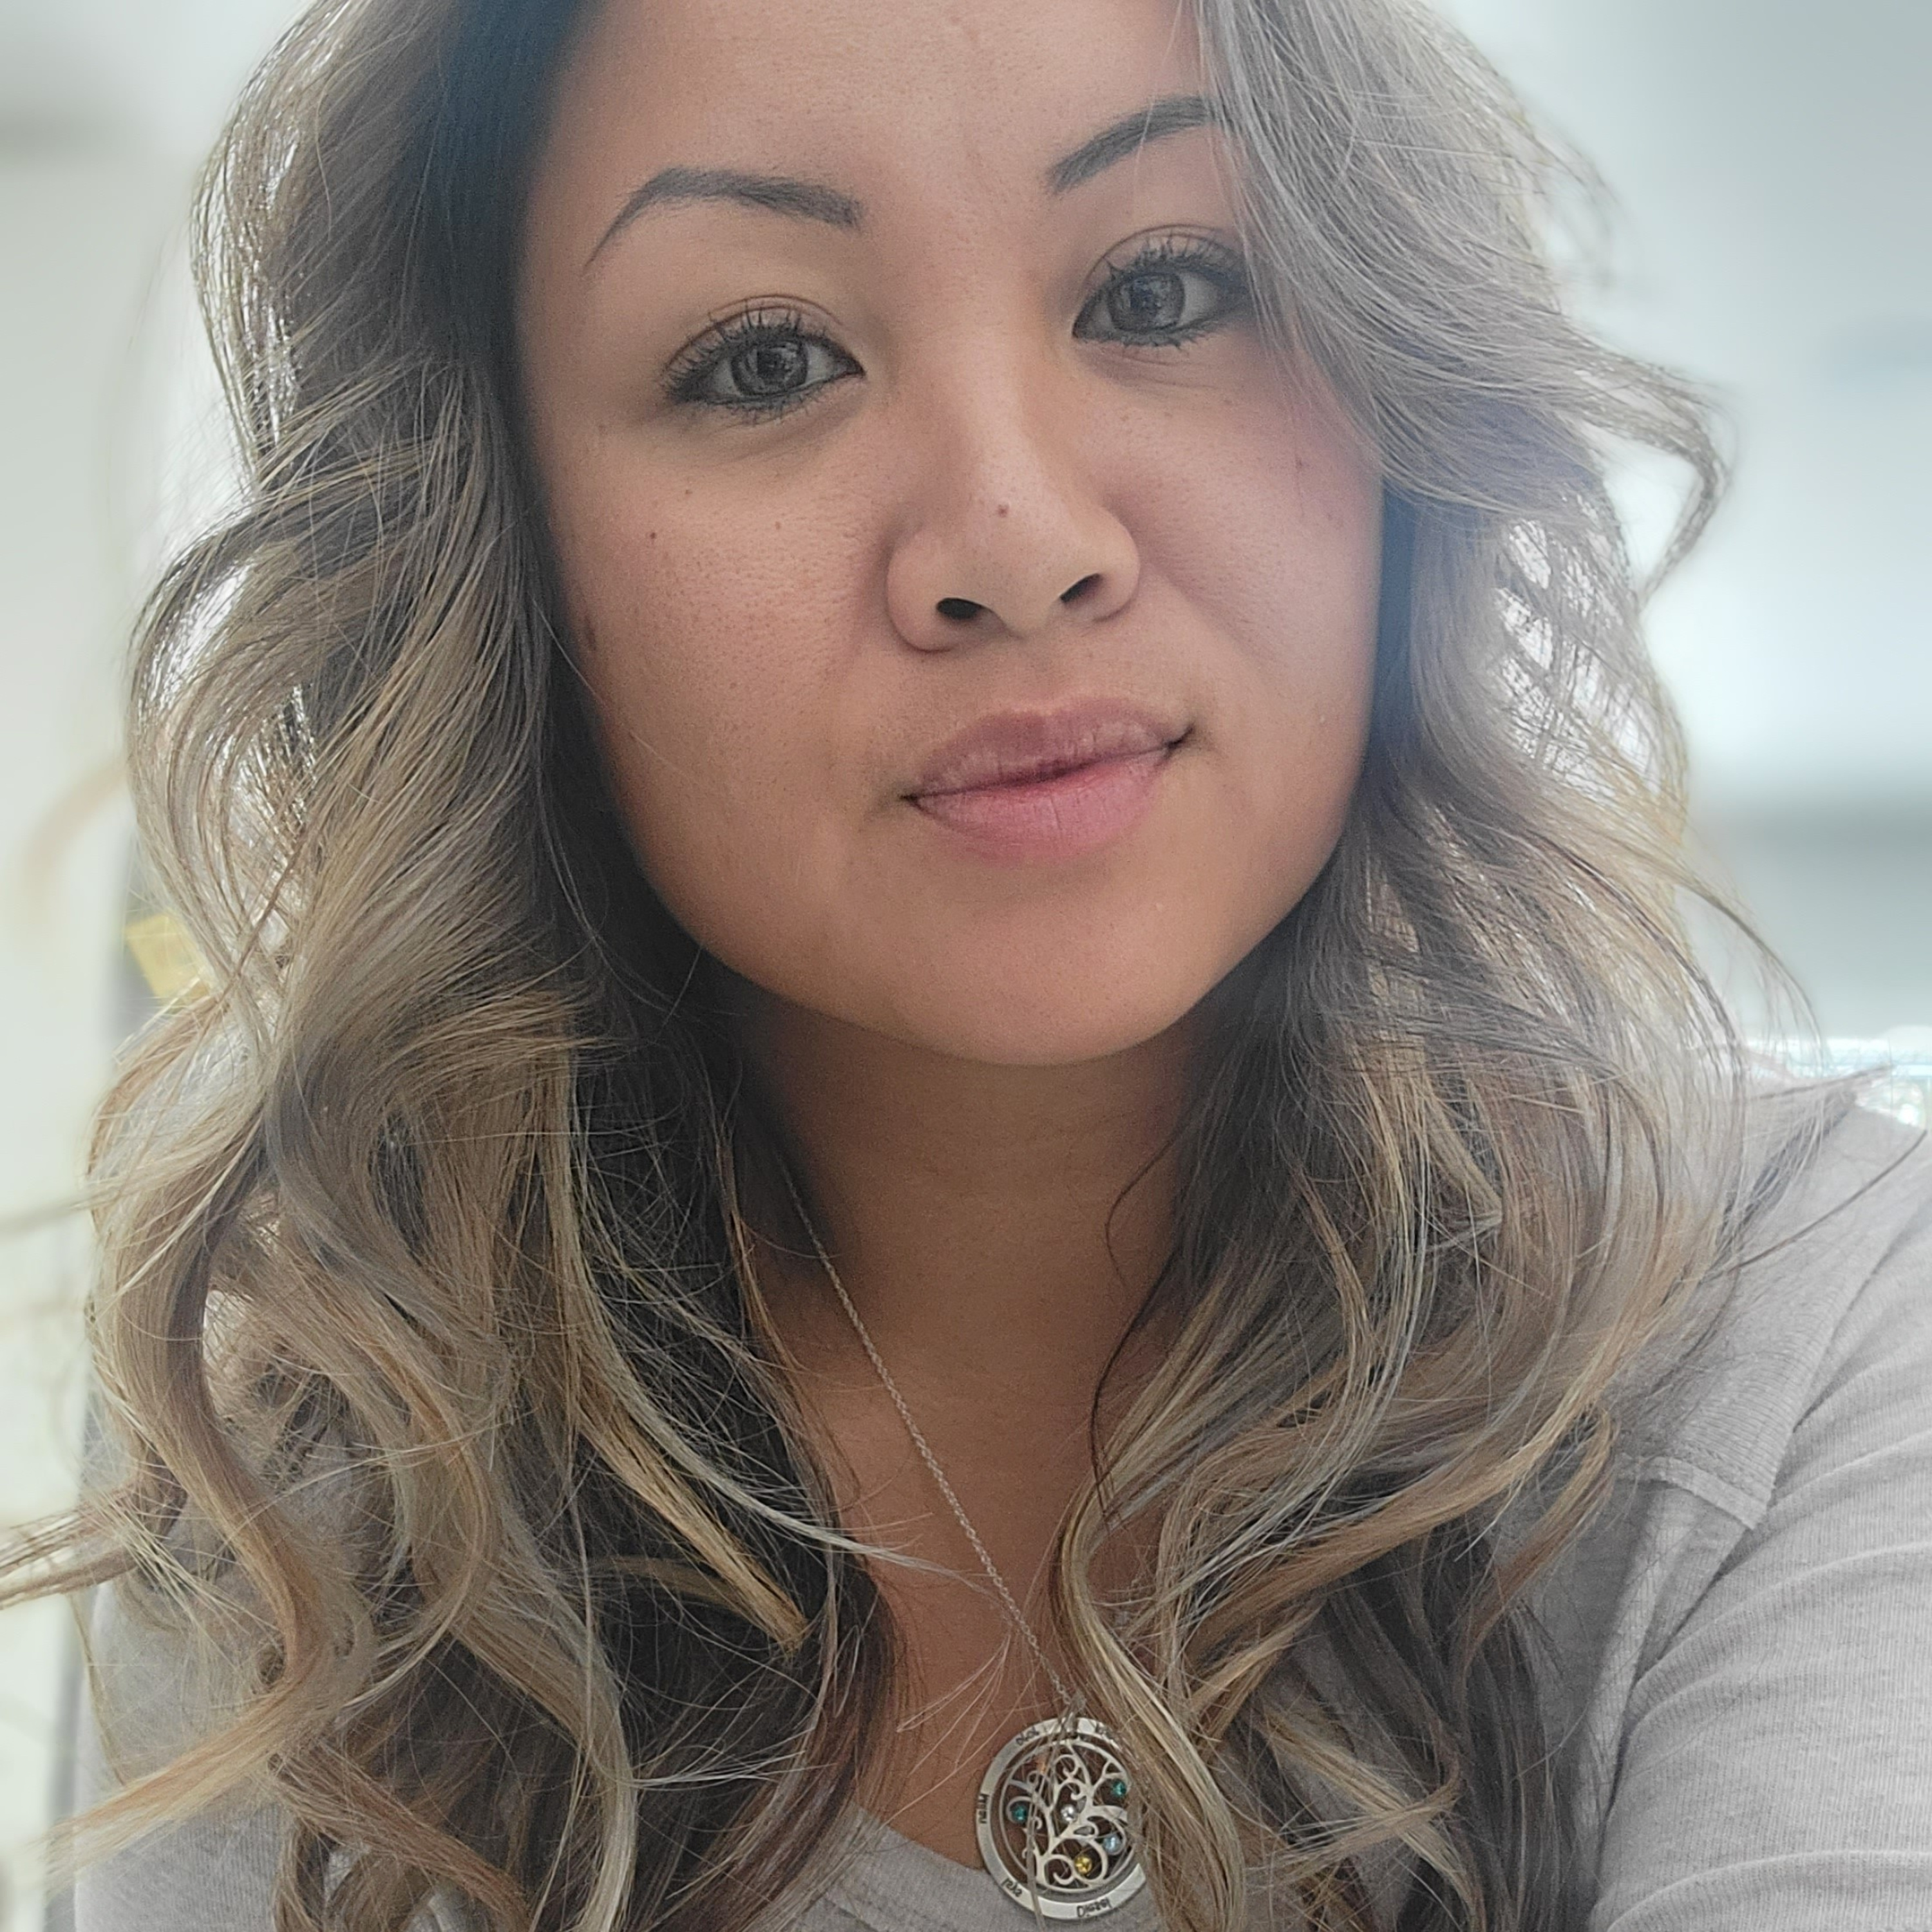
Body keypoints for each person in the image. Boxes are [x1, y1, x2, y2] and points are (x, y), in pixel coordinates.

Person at [6, 0, 1929, 1926]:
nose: (1017, 542)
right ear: (505, 543)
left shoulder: (1811, 1328)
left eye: (1162, 292)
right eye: (766, 360)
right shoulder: (312, 1512)